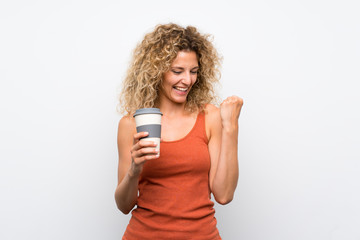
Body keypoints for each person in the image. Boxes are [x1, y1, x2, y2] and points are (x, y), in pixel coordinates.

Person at [115, 23, 243, 240]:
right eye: (177, 71)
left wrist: (231, 127)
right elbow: (124, 205)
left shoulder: (209, 116)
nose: (187, 80)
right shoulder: (130, 124)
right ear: (156, 71)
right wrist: (134, 170)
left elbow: (224, 194)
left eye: (193, 72)